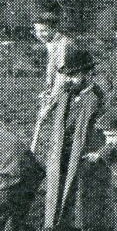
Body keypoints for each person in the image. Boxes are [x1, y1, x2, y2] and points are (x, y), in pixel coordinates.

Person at [41, 44, 108, 231]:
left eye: (73, 76)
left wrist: (95, 155)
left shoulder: (96, 100)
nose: (68, 80)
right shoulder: (66, 94)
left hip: (83, 161)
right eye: (66, 76)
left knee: (81, 203)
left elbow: (102, 135)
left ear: (87, 74)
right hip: (62, 155)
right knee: (60, 199)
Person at [29, 11, 72, 152]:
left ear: (54, 28)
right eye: (37, 31)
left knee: (64, 132)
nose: (40, 34)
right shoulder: (51, 43)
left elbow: (62, 78)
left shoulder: (63, 45)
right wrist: (47, 91)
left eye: (44, 30)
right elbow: (52, 74)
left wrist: (50, 105)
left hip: (69, 93)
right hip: (59, 92)